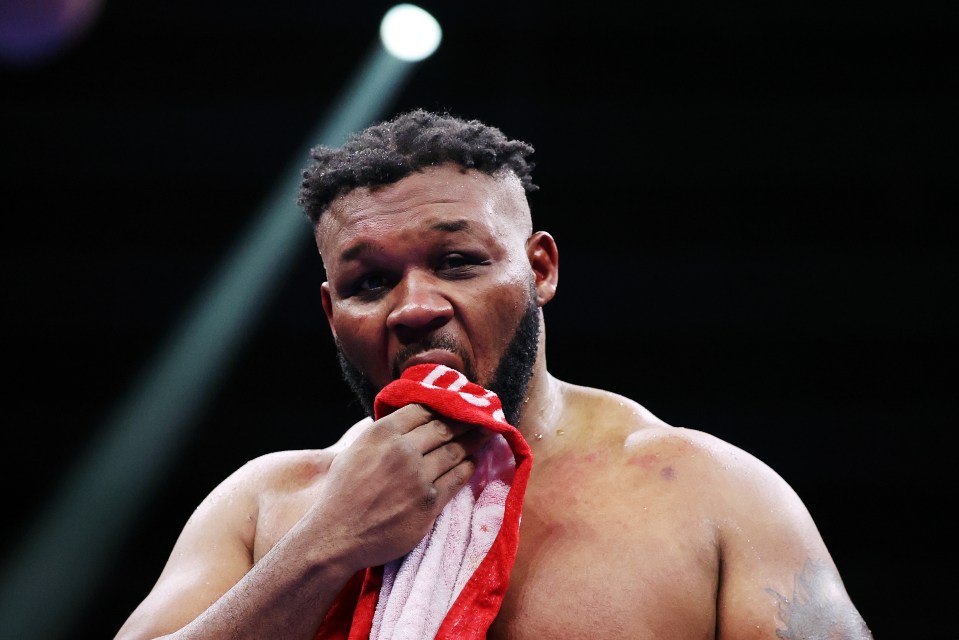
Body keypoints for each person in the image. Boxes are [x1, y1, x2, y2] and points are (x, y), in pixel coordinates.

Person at [114, 108, 873, 639]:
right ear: (330, 311)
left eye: (457, 262)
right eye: (368, 283)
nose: (414, 307)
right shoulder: (266, 506)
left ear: (540, 269)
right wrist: (324, 548)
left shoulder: (708, 491)